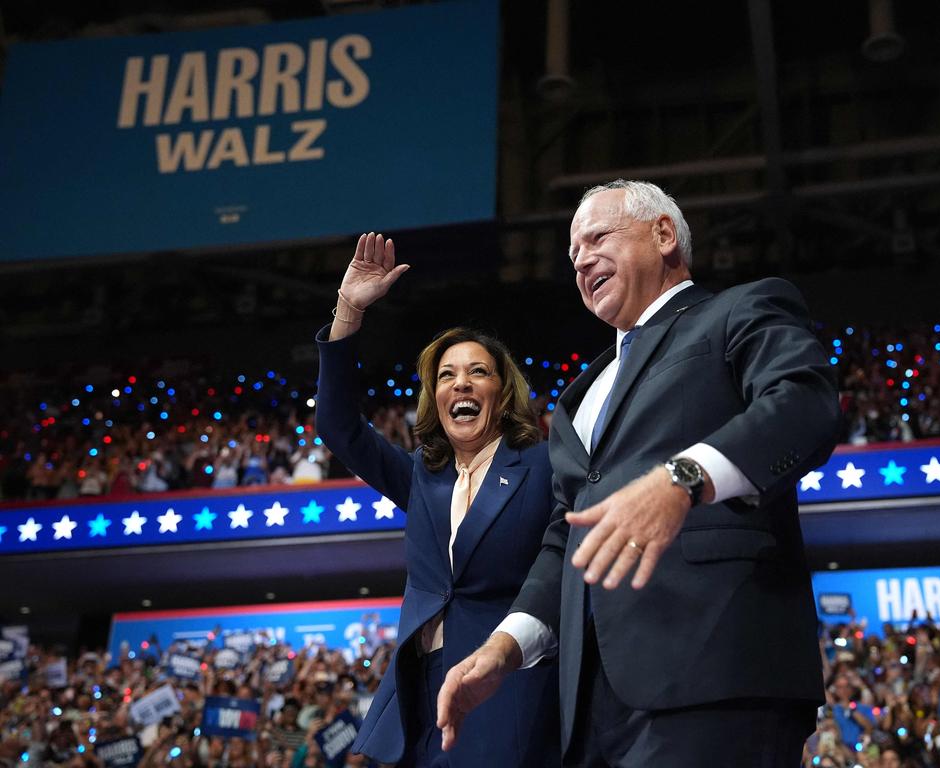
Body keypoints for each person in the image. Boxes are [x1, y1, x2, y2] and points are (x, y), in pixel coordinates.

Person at [437, 180, 841, 766]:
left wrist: (681, 478)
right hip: (590, 705)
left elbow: (805, 404)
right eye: (573, 255)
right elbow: (567, 536)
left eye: (597, 237)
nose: (580, 261)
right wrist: (507, 644)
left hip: (714, 674)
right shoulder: (578, 398)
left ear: (664, 234)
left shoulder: (737, 311)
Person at [314, 233, 559, 767]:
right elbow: (337, 425)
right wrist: (349, 310)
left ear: (502, 389)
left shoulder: (542, 467)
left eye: (478, 372)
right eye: (446, 375)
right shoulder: (421, 478)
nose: (461, 383)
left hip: (505, 692)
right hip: (417, 698)